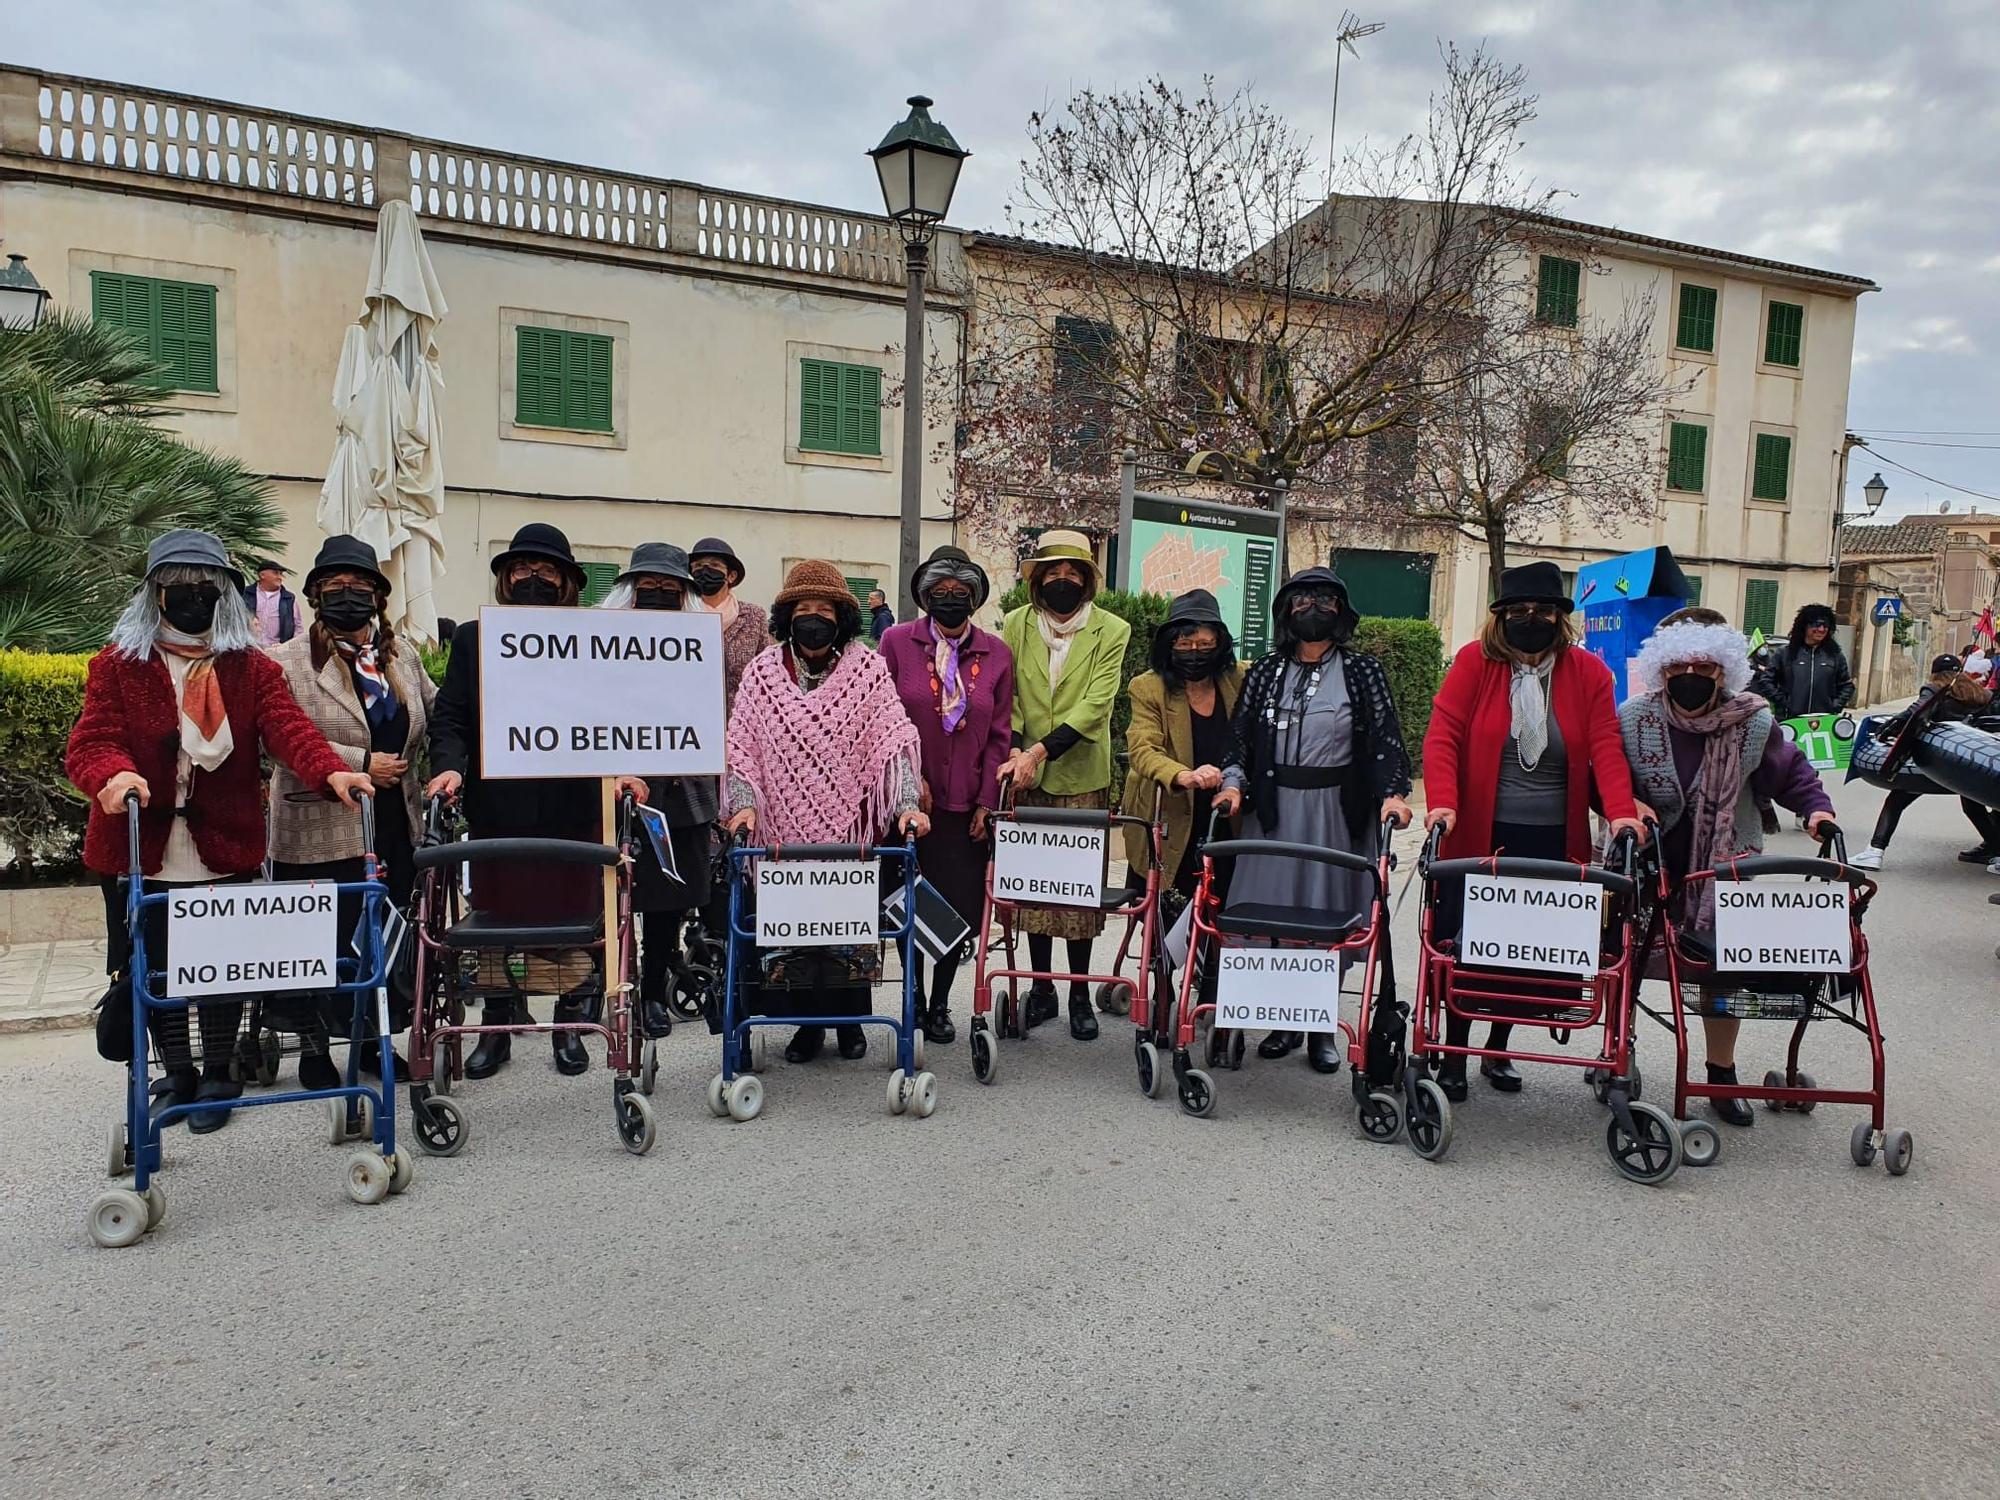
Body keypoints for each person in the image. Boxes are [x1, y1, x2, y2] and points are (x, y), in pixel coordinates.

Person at [66, 529, 372, 1132]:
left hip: (221, 843)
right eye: (177, 587)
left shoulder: (249, 668)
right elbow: (91, 742)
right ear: (153, 594)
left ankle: (220, 1069)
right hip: (140, 844)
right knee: (157, 963)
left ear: (225, 594)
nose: (192, 598)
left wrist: (335, 772)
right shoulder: (117, 664)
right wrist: (116, 775)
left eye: (206, 587)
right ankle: (177, 1071)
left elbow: (290, 730)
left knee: (221, 961)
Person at [425, 523, 648, 1079]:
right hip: (499, 809)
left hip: (575, 807)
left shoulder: (596, 640)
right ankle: (497, 1025)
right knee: (500, 917)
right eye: (522, 569)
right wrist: (449, 769)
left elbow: (619, 715)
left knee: (575, 916)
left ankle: (571, 1023)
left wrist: (627, 770)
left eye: (547, 570)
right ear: (504, 579)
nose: (533, 578)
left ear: (568, 582)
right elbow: (450, 717)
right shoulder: (474, 639)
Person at [1421, 560, 1643, 1099]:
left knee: (1524, 951)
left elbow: (1607, 749)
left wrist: (1621, 812)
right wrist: (1442, 804)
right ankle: (1454, 1050)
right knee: (1466, 945)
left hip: (1550, 839)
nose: (1531, 620)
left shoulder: (1589, 673)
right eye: (1519, 611)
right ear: (1500, 617)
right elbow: (1443, 737)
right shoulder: (1476, 664)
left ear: (1560, 618)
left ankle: (1496, 1049)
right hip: (1478, 833)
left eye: (1543, 611)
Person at [1620, 617, 1834, 1128]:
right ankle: (1619, 1056)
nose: (1690, 675)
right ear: (1661, 668)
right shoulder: (1633, 718)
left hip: (1725, 865)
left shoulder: (1753, 721)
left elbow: (1793, 772)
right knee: (1626, 959)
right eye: (1679, 666)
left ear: (1724, 673)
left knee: (1723, 970)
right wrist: (1627, 802)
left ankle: (1720, 1075)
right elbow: (1602, 775)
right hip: (1648, 857)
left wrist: (1817, 810)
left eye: (1704, 667)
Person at [723, 559, 928, 1062]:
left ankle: (851, 1020)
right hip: (781, 835)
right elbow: (742, 749)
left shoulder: (868, 670)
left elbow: (892, 741)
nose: (813, 619)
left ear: (842, 616)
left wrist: (904, 806)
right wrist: (744, 808)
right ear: (786, 615)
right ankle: (806, 1027)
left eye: (824, 610)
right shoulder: (762, 674)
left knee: (847, 925)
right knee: (796, 930)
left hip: (850, 833)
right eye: (803, 609)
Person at [1213, 569, 1414, 1072]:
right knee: (1274, 915)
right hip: (1274, 812)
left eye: (1324, 598)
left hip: (1334, 812)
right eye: (1301, 599)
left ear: (1341, 611)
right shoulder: (1263, 671)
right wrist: (1233, 785)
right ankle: (1284, 1020)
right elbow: (1239, 740)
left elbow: (1386, 739)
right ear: (1285, 612)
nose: (1313, 607)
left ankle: (1321, 1025)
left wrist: (1392, 794)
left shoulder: (1363, 669)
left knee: (1326, 917)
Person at [268, 534, 437, 1088]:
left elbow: (435, 713)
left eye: (359, 587)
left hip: (393, 820)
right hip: (316, 821)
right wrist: (361, 760)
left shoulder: (401, 655)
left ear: (379, 597)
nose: (347, 596)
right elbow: (279, 738)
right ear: (315, 595)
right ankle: (316, 1049)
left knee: (381, 942)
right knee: (317, 943)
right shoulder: (285, 661)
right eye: (334, 588)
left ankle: (371, 1043)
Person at [998, 530, 1131, 1040]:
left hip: (1079, 774)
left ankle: (1078, 992)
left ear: (1087, 580)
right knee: (1033, 890)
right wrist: (1015, 749)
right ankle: (1041, 989)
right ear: (1036, 579)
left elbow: (1097, 705)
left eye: (1071, 572)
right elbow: (1006, 692)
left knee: (1075, 894)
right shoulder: (1014, 624)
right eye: (1051, 572)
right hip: (1024, 773)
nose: (1061, 580)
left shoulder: (1111, 630)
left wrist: (1037, 752)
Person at [879, 546, 1015, 1044]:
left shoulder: (996, 653)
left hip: (966, 809)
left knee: (954, 911)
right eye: (940, 592)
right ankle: (911, 999)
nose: (951, 599)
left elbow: (1000, 732)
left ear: (975, 598)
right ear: (925, 595)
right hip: (912, 806)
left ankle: (940, 1005)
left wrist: (987, 801)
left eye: (961, 593)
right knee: (910, 904)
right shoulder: (895, 642)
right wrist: (910, 786)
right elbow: (883, 721)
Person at [598, 543, 718, 1037]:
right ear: (629, 589)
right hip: (617, 793)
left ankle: (650, 995)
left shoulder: (699, 644)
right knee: (619, 900)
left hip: (684, 794)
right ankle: (616, 993)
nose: (660, 594)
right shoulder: (599, 644)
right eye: (649, 586)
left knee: (668, 901)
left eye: (671, 588)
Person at [1122, 588, 1247, 904]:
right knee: (1167, 916)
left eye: (1205, 645)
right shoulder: (1147, 687)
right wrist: (1183, 775)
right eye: (1185, 644)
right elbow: (1143, 749)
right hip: (1170, 813)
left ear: (1220, 645)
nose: (1195, 651)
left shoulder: (1241, 677)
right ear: (1169, 646)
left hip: (1226, 809)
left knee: (1226, 909)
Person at [1849, 654, 2000, 870]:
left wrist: (1890, 726)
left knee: (1897, 800)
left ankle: (1874, 852)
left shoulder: (1934, 688)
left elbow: (1915, 712)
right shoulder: (1979, 693)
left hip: (1935, 765)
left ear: (1935, 672)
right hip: (1966, 767)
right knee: (1973, 807)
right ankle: (1998, 856)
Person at [687, 537, 768, 717]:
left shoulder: (753, 616)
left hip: (741, 720)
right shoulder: (682, 615)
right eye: (698, 566)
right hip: (692, 718)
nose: (705, 570)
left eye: (714, 565)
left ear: (731, 576)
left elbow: (766, 671)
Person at [1755, 603, 1853, 720]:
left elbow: (1847, 685)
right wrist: (1784, 702)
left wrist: (1834, 706)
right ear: (1804, 626)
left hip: (1823, 722)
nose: (1821, 629)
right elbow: (1766, 681)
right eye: (1816, 624)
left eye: (1825, 625)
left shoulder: (1835, 655)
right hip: (1790, 721)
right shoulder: (1785, 653)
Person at [244, 559, 298, 646]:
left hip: (278, 650)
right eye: (275, 573)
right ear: (262, 575)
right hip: (251, 648)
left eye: (281, 574)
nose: (280, 577)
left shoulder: (289, 599)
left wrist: (290, 648)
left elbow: (298, 628)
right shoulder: (246, 594)